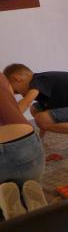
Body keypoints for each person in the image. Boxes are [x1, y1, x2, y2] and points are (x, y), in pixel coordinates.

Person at [0, 72, 47, 219]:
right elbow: (14, 108)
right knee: (29, 191)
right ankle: (33, 208)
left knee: (6, 213)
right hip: (25, 144)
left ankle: (11, 214)